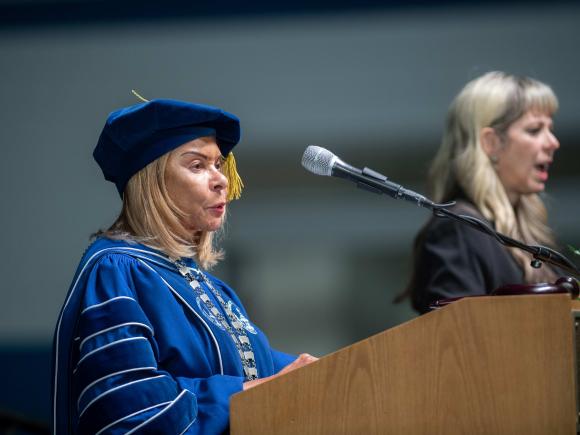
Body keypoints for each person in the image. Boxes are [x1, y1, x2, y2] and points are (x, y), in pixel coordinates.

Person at [51, 98, 317, 434]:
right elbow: (133, 410)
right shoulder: (118, 271)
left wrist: (315, 373)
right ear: (154, 182)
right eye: (197, 165)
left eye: (218, 164)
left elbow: (266, 370)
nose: (220, 179)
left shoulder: (213, 289)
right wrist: (257, 391)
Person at [403, 71, 561, 314]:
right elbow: (456, 342)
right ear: (491, 143)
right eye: (534, 130)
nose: (552, 142)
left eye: (550, 128)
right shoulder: (456, 230)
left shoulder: (529, 236)